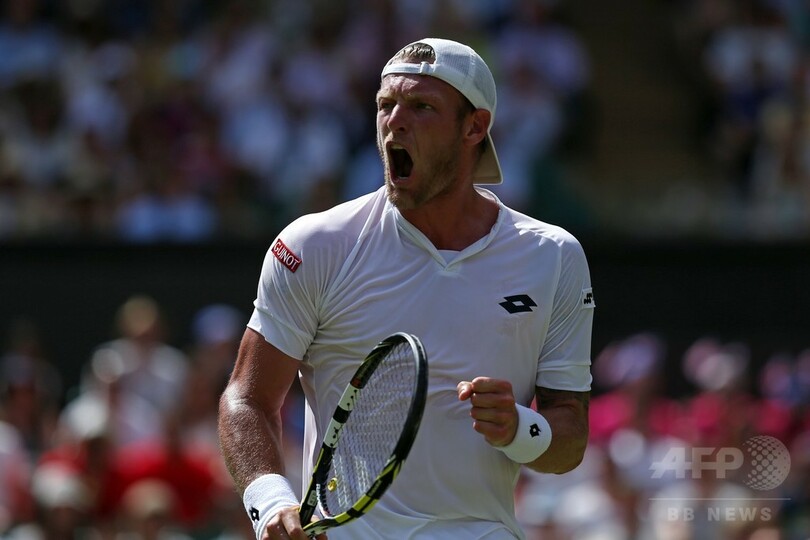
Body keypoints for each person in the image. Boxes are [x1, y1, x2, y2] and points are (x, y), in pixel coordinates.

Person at [218, 37, 594, 540]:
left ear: (474, 127)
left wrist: (520, 429)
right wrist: (270, 501)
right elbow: (247, 398)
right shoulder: (314, 245)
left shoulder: (554, 256)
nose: (394, 121)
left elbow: (569, 437)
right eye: (386, 104)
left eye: (422, 107)